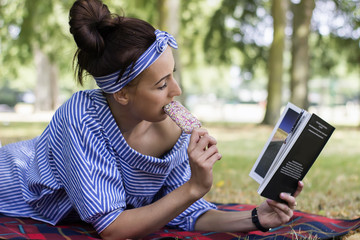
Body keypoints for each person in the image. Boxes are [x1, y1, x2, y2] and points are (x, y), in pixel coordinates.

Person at [0, 0, 303, 239]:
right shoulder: (81, 118)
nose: (177, 90)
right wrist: (194, 187)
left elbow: (185, 213)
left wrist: (257, 218)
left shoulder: (174, 131)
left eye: (173, 75)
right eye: (161, 85)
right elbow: (113, 228)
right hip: (12, 180)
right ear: (121, 94)